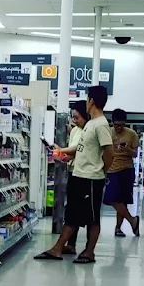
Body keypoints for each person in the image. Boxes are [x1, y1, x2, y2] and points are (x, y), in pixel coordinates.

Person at [35, 84, 113, 264]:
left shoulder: (101, 125)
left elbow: (109, 152)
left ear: (91, 101)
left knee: (92, 218)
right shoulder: (91, 124)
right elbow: (81, 149)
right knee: (72, 215)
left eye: (87, 99)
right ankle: (58, 248)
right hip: (79, 176)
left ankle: (89, 252)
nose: (86, 102)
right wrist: (62, 153)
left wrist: (103, 171)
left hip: (91, 178)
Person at [52, 103, 87, 254]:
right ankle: (71, 244)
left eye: (77, 117)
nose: (74, 120)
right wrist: (63, 156)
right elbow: (73, 152)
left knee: (76, 211)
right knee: (72, 209)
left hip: (83, 174)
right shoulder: (75, 131)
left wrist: (61, 149)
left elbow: (79, 148)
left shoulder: (88, 131)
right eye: (73, 117)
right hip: (73, 171)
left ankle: (66, 245)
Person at [106, 108, 141, 237]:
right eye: (116, 125)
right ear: (112, 122)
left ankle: (118, 228)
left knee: (122, 200)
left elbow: (135, 154)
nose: (119, 128)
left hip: (127, 169)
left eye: (121, 125)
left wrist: (127, 149)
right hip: (111, 169)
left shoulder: (132, 134)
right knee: (111, 198)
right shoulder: (107, 132)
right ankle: (132, 220)